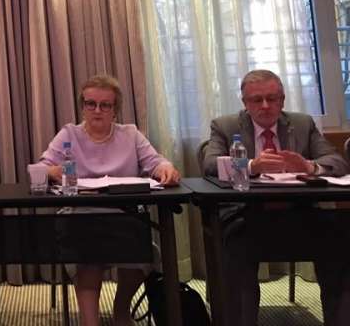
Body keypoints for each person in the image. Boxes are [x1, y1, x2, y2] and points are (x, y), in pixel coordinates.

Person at [202, 69, 350, 326]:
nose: (265, 106)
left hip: (302, 214)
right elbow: (209, 164)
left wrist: (310, 166)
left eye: (272, 98)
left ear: (282, 100)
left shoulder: (302, 124)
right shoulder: (225, 126)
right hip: (246, 216)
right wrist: (250, 166)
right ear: (245, 103)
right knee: (235, 249)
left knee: (343, 236)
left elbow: (337, 162)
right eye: (256, 100)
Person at [38, 74, 180, 326]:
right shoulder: (69, 134)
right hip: (81, 215)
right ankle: (89, 321)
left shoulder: (131, 134)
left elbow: (156, 162)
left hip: (125, 215)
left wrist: (165, 168)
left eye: (105, 105)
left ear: (115, 110)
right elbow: (40, 167)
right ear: (82, 106)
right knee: (88, 255)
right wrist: (50, 171)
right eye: (90, 104)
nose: (97, 110)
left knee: (142, 255)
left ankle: (121, 309)